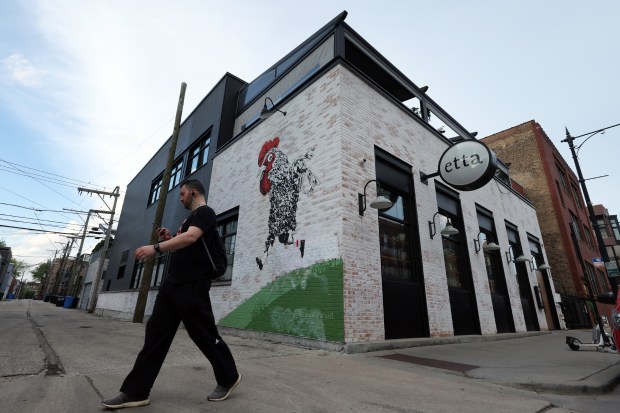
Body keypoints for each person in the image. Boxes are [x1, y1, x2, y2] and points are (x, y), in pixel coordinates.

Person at [101, 179, 241, 409]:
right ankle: (135, 392)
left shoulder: (205, 212)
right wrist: (168, 239)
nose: (180, 198)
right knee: (155, 335)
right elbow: (184, 243)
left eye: (182, 193)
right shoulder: (188, 220)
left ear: (193, 192)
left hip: (192, 285)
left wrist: (155, 248)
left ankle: (229, 377)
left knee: (204, 335)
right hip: (172, 285)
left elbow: (190, 238)